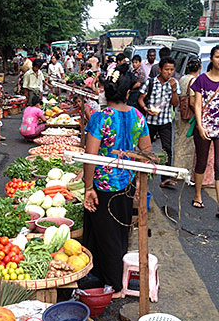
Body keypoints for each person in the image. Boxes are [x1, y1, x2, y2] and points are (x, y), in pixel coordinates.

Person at [82, 64, 151, 297]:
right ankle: (108, 276)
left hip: (102, 186)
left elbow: (90, 157)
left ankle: (112, 283)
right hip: (126, 185)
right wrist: (140, 183)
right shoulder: (138, 116)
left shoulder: (100, 118)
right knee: (119, 231)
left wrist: (88, 188)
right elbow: (147, 153)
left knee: (103, 234)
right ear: (127, 93)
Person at [138, 57, 180, 188]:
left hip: (165, 121)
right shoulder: (151, 82)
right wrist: (145, 109)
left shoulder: (174, 84)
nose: (169, 72)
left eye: (172, 70)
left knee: (167, 149)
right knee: (145, 149)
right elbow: (141, 99)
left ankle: (165, 178)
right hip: (150, 121)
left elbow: (175, 103)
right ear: (160, 70)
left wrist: (173, 90)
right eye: (167, 69)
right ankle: (142, 173)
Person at [191, 45, 219, 213]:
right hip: (204, 127)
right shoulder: (202, 79)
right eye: (217, 57)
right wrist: (200, 126)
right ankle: (197, 195)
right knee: (201, 162)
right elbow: (198, 104)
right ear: (212, 59)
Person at [174, 58, 202, 180]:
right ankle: (183, 171)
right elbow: (192, 101)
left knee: (179, 140)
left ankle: (176, 168)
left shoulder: (183, 78)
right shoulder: (194, 80)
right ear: (199, 68)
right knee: (187, 143)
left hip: (180, 112)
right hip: (189, 115)